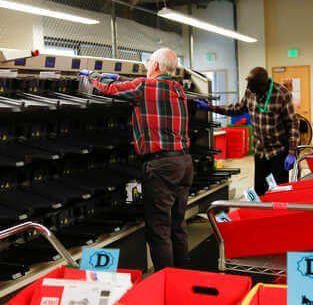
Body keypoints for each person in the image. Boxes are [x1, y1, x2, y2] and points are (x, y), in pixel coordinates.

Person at [82, 48, 193, 271]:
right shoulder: (178, 88)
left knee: (159, 229)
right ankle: (183, 276)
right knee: (177, 226)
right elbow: (147, 87)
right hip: (184, 163)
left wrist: (90, 76)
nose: (147, 67)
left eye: (149, 63)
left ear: (156, 66)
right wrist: (124, 79)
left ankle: (167, 281)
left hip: (161, 166)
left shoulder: (143, 86)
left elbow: (108, 90)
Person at [197, 67, 299, 196]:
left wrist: (292, 152)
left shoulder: (282, 94)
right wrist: (211, 107)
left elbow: (293, 123)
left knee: (279, 191)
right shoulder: (250, 91)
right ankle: (260, 215)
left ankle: (278, 215)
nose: (251, 90)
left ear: (263, 86)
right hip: (260, 151)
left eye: (254, 89)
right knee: (260, 191)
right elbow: (237, 109)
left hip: (278, 152)